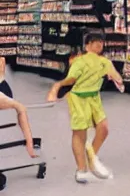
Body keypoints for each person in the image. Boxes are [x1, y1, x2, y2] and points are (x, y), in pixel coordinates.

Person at [47, 33, 124, 183]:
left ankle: (91, 156)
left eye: (101, 42)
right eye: (95, 42)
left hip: (94, 98)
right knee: (80, 132)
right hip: (78, 98)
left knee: (103, 128)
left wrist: (116, 80)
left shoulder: (105, 62)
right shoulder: (79, 61)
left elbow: (117, 77)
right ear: (87, 45)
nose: (99, 45)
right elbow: (71, 79)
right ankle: (81, 169)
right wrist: (57, 86)